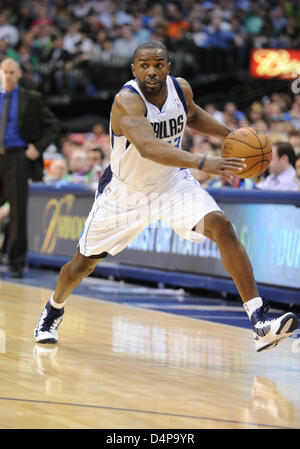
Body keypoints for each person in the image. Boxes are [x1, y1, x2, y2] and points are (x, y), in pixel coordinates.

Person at [34, 42, 298, 352]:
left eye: (158, 64)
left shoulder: (180, 89)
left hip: (172, 183)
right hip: (125, 193)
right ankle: (54, 308)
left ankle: (259, 320)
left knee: (222, 227)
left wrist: (232, 136)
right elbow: (149, 147)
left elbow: (193, 115)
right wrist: (203, 161)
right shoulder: (126, 101)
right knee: (81, 265)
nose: (152, 71)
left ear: (168, 67)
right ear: (134, 70)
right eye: (144, 65)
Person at [0, 58, 60, 278]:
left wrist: (38, 147)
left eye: (11, 72)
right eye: (4, 72)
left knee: (17, 212)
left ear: (19, 75)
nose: (7, 76)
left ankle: (16, 262)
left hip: (17, 157)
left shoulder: (31, 99)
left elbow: (53, 126)